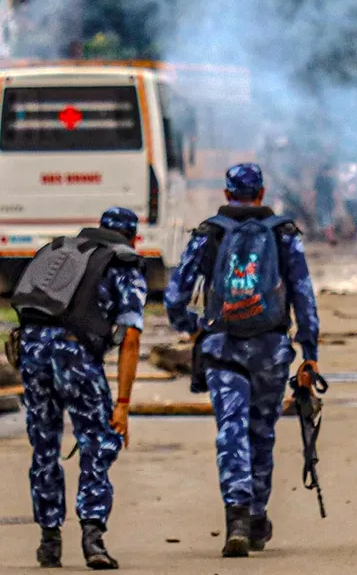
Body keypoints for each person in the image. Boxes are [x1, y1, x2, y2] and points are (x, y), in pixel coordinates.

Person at [165, 164, 321, 557]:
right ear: (262, 192)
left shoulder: (209, 233)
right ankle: (256, 517)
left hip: (223, 349)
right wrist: (310, 352)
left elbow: (174, 296)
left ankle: (235, 516)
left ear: (227, 191)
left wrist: (195, 326)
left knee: (230, 431)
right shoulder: (284, 235)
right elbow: (303, 295)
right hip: (270, 349)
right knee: (261, 433)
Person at [9, 208, 146, 569]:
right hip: (75, 356)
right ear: (131, 236)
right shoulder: (122, 264)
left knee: (44, 447)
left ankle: (49, 541)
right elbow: (130, 337)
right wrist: (123, 404)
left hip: (33, 351)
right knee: (97, 442)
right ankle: (92, 538)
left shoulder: (66, 252)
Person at [313, 163, 337, 245]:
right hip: (324, 202)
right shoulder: (324, 180)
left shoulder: (323, 179)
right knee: (326, 221)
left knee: (327, 221)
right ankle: (330, 238)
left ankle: (331, 239)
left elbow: (315, 192)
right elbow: (315, 192)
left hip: (325, 203)